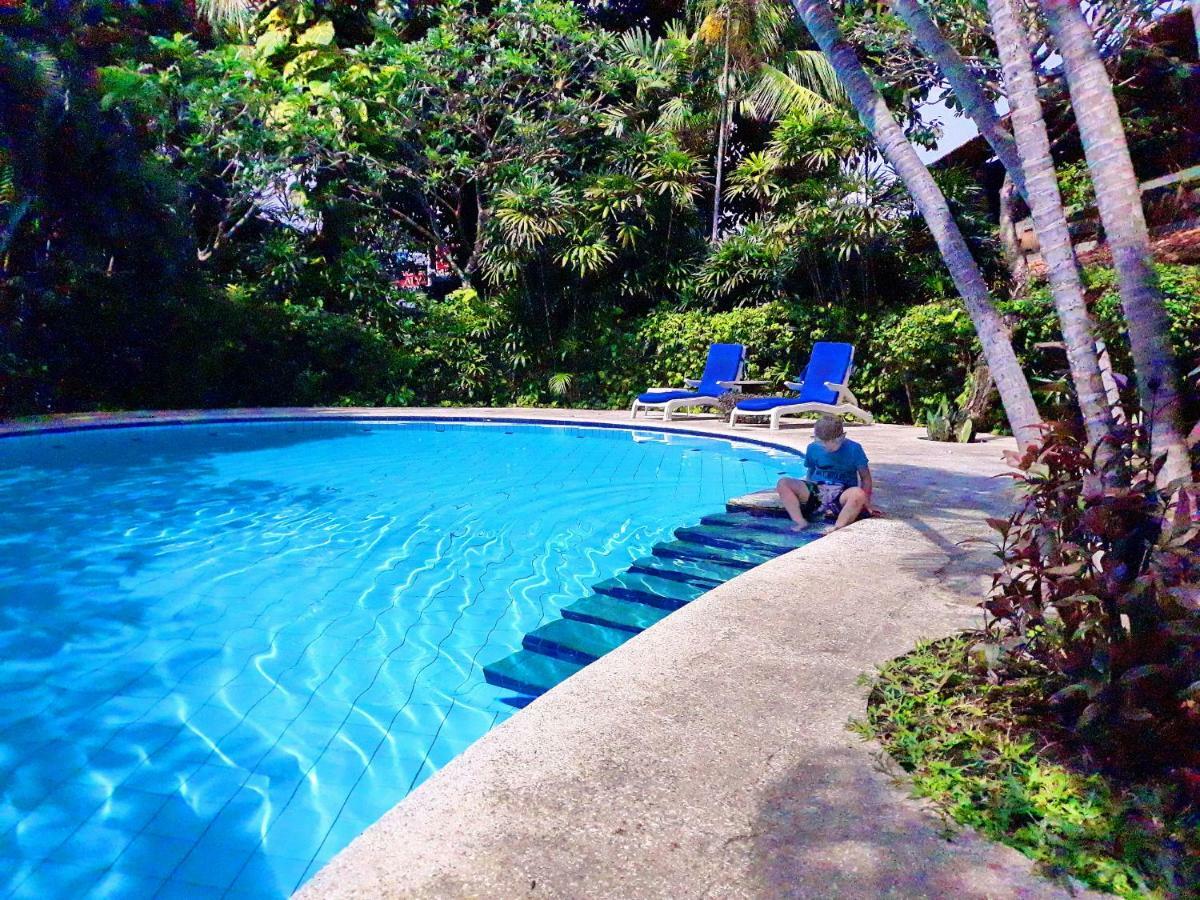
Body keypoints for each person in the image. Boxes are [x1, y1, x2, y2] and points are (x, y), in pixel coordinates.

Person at [776, 415, 874, 531]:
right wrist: (807, 494)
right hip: (818, 490)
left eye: (833, 442)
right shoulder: (813, 448)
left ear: (842, 437)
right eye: (822, 442)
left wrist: (866, 501)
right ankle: (800, 521)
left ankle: (838, 526)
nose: (828, 446)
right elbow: (811, 471)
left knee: (858, 494)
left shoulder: (854, 449)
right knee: (783, 483)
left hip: (842, 493)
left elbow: (866, 478)